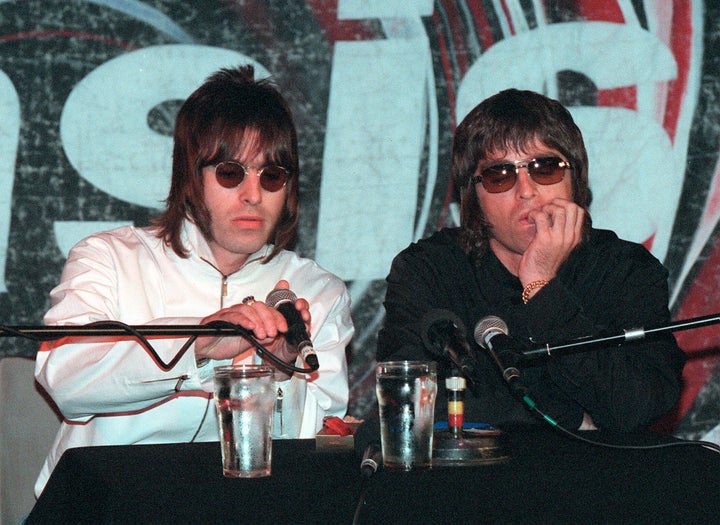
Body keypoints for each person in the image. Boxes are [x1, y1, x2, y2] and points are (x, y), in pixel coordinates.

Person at [34, 65, 354, 495]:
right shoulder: (110, 258)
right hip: (108, 505)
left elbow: (320, 446)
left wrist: (280, 372)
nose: (253, 195)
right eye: (230, 172)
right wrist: (197, 347)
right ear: (190, 178)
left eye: (271, 175)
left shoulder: (316, 289)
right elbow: (66, 380)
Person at [377, 88, 685, 433]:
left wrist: (541, 286)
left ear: (575, 178)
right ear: (473, 197)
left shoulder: (624, 270)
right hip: (469, 483)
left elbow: (638, 405)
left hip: (598, 483)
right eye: (500, 175)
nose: (526, 190)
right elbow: (406, 403)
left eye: (545, 168)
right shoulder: (429, 270)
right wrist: (569, 420)